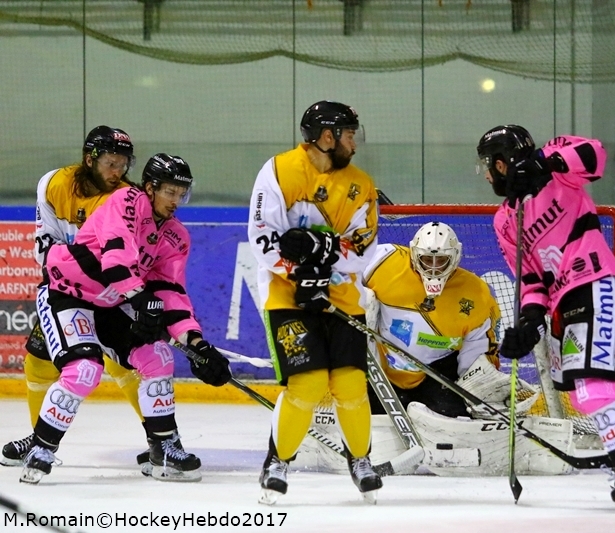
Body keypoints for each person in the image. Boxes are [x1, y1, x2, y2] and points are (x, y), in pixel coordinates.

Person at [476, 124, 615, 512]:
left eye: (489, 165)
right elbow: (532, 278)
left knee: (594, 386)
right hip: (564, 300)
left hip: (596, 281)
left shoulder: (559, 172)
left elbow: (594, 153)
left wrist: (540, 163)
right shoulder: (505, 219)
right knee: (584, 392)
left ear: (502, 163)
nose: (486, 175)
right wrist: (530, 322)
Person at [19, 153, 231, 485]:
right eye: (170, 192)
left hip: (112, 302)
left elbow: (171, 292)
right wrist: (143, 300)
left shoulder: (175, 236)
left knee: (159, 358)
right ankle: (42, 448)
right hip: (68, 292)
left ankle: (163, 447)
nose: (176, 201)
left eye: (182, 194)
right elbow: (116, 261)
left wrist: (197, 343)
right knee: (85, 369)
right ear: (150, 187)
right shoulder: (127, 200)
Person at [1, 126, 165, 476]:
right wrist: (66, 275)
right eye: (110, 162)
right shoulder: (53, 184)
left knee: (125, 364)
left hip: (113, 294)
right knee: (38, 362)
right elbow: (47, 241)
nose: (117, 170)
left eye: (123, 163)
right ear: (90, 158)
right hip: (70, 291)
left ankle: (159, 442)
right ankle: (39, 436)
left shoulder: (129, 198)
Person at [247, 101, 382, 504]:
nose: (354, 143)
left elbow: (361, 251)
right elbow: (263, 238)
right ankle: (278, 461)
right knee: (305, 385)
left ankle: (360, 460)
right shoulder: (278, 171)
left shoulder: (361, 184)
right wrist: (301, 271)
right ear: (327, 136)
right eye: (349, 134)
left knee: (350, 383)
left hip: (342, 296)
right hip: (287, 297)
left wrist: (317, 257)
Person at [363, 221, 507, 418]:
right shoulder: (382, 260)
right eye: (426, 259)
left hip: (437, 372)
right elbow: (342, 278)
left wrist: (481, 389)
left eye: (440, 260)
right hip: (378, 367)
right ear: (414, 253)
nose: (433, 268)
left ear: (455, 257)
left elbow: (477, 356)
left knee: (452, 412)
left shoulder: (477, 294)